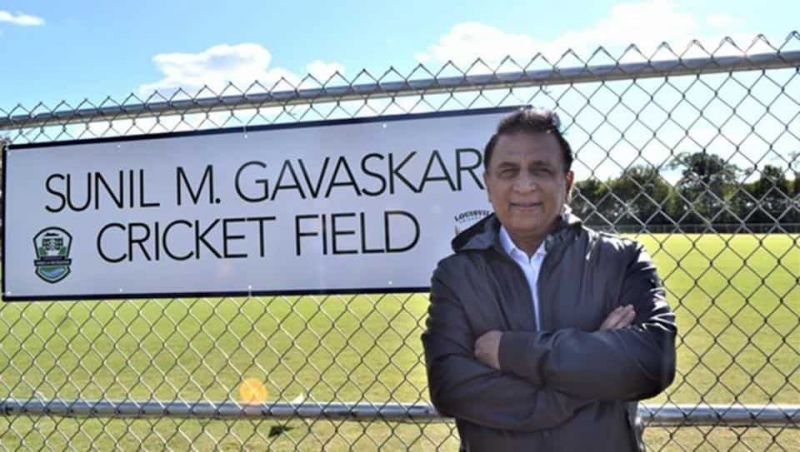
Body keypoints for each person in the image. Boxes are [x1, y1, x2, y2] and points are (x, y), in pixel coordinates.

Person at [422, 108, 677, 451]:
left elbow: (652, 363)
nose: (524, 185)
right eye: (508, 171)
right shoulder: (456, 275)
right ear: (488, 183)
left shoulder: (621, 260)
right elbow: (451, 388)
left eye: (540, 170)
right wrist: (587, 373)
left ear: (567, 183)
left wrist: (512, 351)